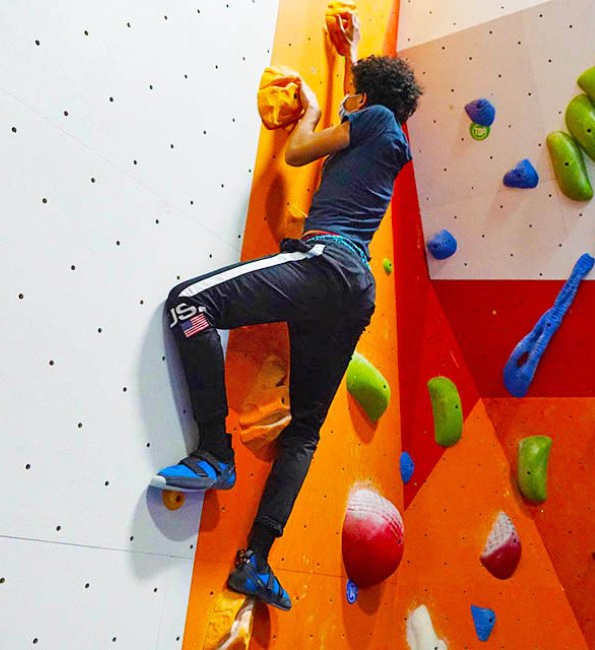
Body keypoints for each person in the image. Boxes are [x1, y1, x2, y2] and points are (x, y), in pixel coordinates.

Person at [150, 15, 422, 611]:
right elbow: (360, 112)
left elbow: (301, 152)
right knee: (303, 430)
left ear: (370, 100)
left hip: (327, 263)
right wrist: (349, 56)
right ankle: (257, 559)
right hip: (355, 293)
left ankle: (215, 453)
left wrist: (310, 110)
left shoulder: (371, 121)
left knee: (189, 304)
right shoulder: (390, 140)